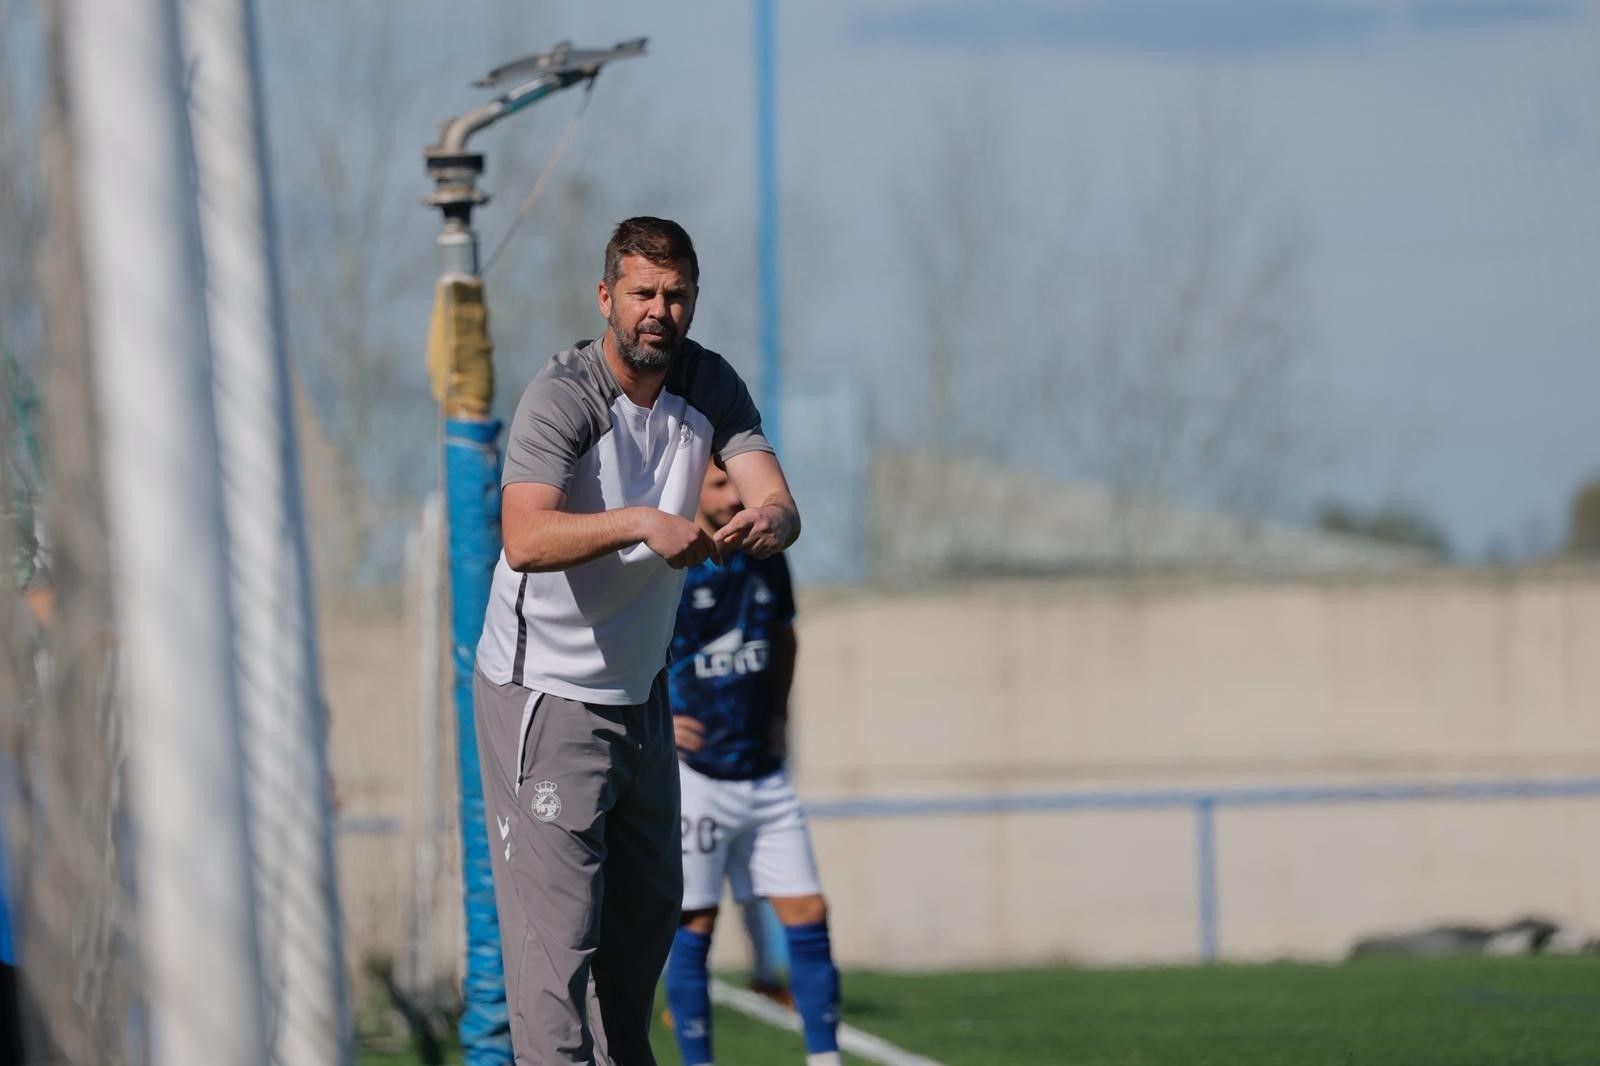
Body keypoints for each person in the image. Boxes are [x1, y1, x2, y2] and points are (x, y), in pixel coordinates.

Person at [472, 217, 800, 1065]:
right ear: (606, 297)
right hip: (545, 697)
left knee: (642, 933)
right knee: (557, 957)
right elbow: (524, 537)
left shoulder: (710, 383)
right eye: (643, 292)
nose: (660, 309)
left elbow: (779, 500)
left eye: (676, 293)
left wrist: (768, 520)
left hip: (641, 697)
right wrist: (642, 525)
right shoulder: (564, 394)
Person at [663, 464, 841, 1066]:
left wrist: (780, 718)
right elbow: (625, 649)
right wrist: (660, 718)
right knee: (695, 925)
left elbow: (784, 638)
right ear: (693, 489)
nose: (733, 494)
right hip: (699, 777)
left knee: (809, 911)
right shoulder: (671, 563)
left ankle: (825, 1058)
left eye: (737, 483)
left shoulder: (767, 557)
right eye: (717, 485)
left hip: (764, 772)